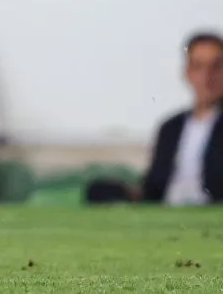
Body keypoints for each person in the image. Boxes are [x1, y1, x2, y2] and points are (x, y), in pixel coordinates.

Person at [86, 31, 223, 206]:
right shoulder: (171, 128)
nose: (207, 76)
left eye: (216, 67)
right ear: (187, 72)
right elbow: (155, 184)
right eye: (198, 67)